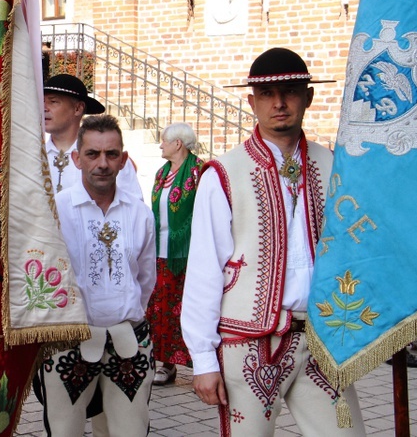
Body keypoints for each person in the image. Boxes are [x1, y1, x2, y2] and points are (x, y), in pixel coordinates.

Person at [181, 48, 365, 436]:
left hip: (322, 340)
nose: (279, 103)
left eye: (290, 91)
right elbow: (203, 269)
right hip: (247, 342)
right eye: (267, 94)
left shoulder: (333, 165)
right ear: (252, 102)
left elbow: (353, 251)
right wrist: (203, 358)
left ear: (309, 97)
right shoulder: (223, 173)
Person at [40, 114, 156, 437]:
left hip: (129, 340)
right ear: (76, 159)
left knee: (130, 432)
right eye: (92, 154)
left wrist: (123, 311)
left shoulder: (140, 214)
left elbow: (146, 279)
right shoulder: (55, 211)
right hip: (70, 342)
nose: (102, 163)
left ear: (123, 160)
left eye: (111, 154)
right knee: (65, 433)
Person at [146, 123, 203, 386]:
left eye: (164, 141)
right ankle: (165, 364)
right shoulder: (161, 173)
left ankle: (204, 367)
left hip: (191, 253)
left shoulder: (200, 172)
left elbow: (205, 211)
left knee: (191, 309)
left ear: (178, 143)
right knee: (161, 308)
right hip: (161, 252)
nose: (161, 145)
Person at [44, 74, 143, 199]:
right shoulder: (34, 156)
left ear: (78, 108)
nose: (44, 108)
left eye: (53, 102)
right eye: (42, 102)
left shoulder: (110, 158)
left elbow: (132, 206)